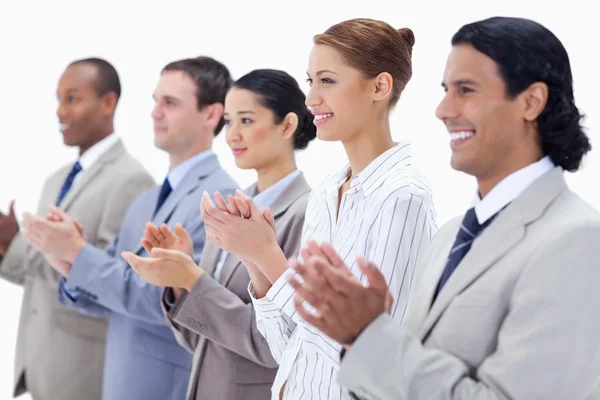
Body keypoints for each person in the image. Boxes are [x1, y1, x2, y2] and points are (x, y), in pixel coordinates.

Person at [288, 16, 600, 400]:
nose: (442, 110)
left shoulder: (577, 240)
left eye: (466, 90)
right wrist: (361, 339)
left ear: (531, 101)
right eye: (445, 89)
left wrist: (370, 338)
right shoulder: (449, 238)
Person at [199, 18, 437, 399]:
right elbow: (289, 351)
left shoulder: (402, 198)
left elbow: (371, 357)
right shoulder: (327, 191)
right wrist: (254, 264)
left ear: (380, 86)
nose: (310, 98)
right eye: (310, 81)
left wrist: (267, 254)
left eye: (327, 81)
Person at [20, 56, 238, 400]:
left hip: (163, 386)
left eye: (170, 103)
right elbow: (110, 295)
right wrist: (65, 261)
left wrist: (78, 254)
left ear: (211, 114)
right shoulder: (145, 200)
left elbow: (166, 301)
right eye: (155, 101)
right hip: (118, 381)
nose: (155, 112)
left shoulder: (219, 199)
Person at [123, 68, 317, 400]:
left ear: (287, 124)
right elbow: (201, 338)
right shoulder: (228, 209)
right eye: (228, 122)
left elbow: (277, 343)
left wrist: (194, 280)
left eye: (246, 120)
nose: (231, 136)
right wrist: (179, 276)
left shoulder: (307, 214)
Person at [0, 58, 154, 400]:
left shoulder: (132, 180)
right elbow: (37, 271)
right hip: (39, 360)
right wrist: (4, 248)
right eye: (58, 99)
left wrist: (16, 242)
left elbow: (107, 279)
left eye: (72, 99)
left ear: (109, 103)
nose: (60, 112)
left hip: (82, 369)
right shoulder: (55, 180)